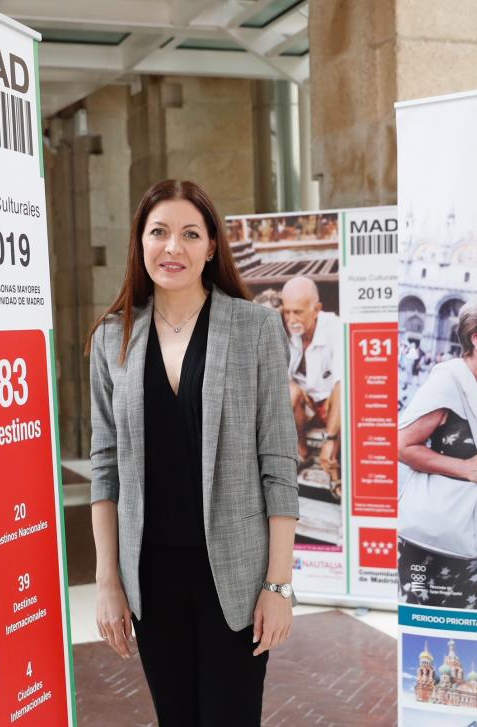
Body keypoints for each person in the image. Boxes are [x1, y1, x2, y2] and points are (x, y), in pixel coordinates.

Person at [88, 179, 299, 726]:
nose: (172, 248)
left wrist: (278, 585)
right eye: (158, 233)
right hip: (152, 578)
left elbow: (278, 463)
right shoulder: (113, 338)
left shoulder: (255, 328)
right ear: (140, 244)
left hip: (235, 576)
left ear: (211, 247)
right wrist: (108, 583)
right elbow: (105, 469)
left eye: (189, 234)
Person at [397, 294, 477, 608]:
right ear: (476, 337)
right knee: (430, 627)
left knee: (467, 628)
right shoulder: (448, 383)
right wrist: (465, 468)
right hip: (436, 539)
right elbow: (402, 445)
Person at [279, 275, 342, 487]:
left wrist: (330, 439)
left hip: (332, 404)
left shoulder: (335, 328)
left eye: (297, 312)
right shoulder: (284, 329)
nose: (291, 319)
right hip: (305, 405)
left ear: (317, 309)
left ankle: (335, 470)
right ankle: (301, 452)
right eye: (287, 311)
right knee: (287, 390)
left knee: (345, 392)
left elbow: (343, 386)